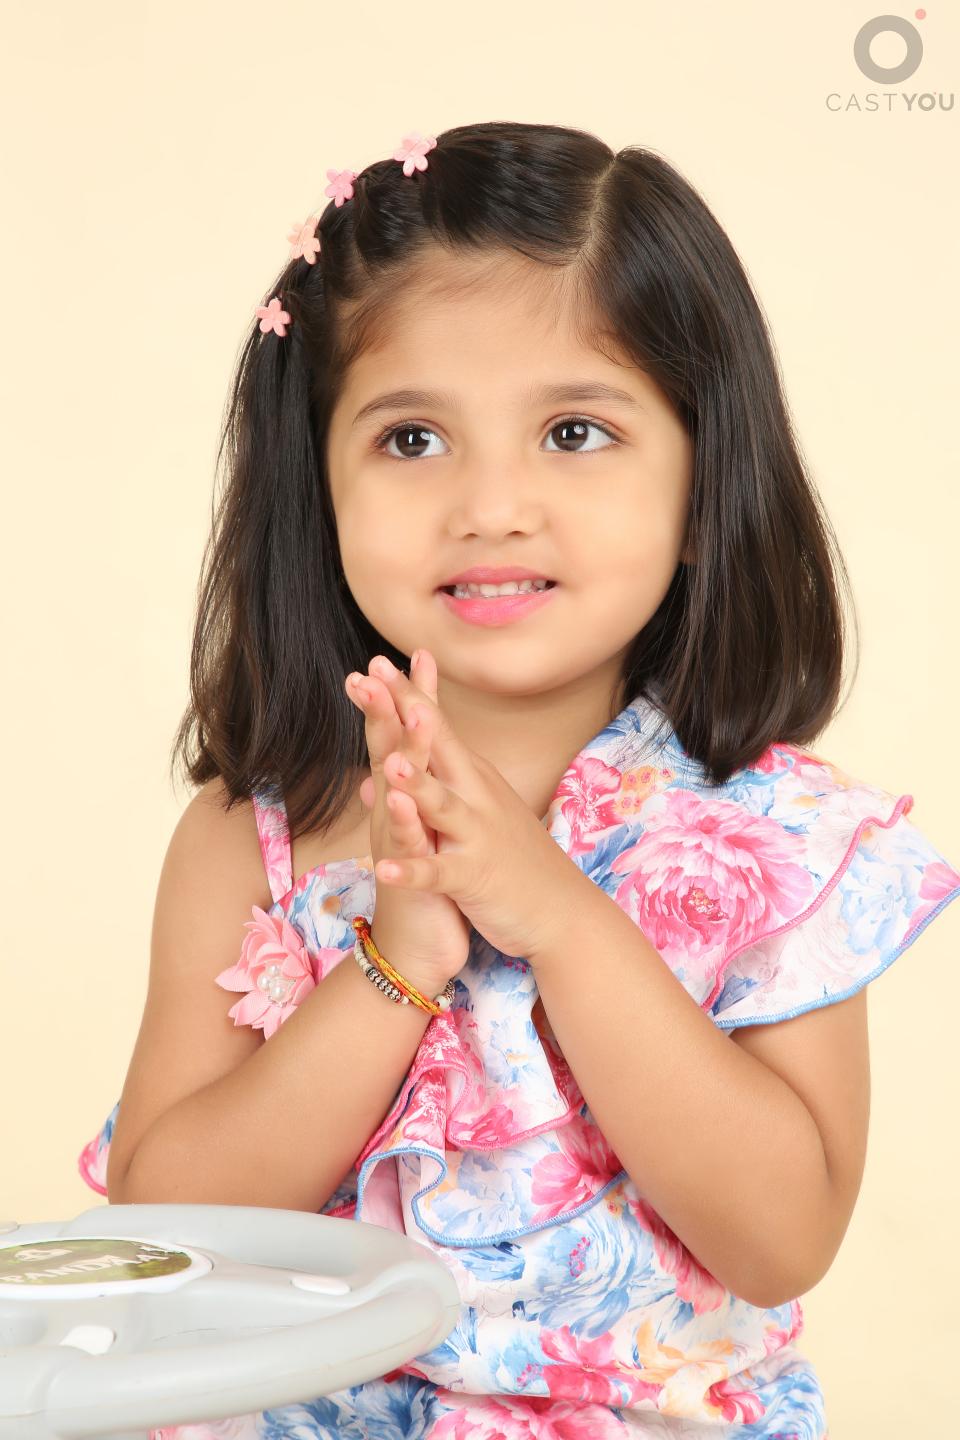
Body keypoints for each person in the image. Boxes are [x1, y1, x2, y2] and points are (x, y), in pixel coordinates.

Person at [77, 121, 959, 1439]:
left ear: (704, 482)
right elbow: (168, 1233)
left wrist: (550, 910)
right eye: (412, 440)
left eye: (574, 431)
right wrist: (398, 959)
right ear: (317, 487)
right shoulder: (254, 834)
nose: (491, 505)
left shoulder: (779, 838)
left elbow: (780, 1238)